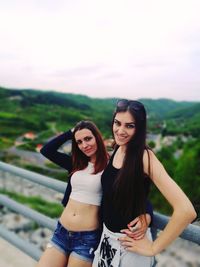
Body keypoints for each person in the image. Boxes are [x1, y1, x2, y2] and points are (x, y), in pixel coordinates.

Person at [92, 99, 197, 267]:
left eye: (129, 126)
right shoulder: (118, 148)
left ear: (139, 128)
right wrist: (147, 211)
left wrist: (154, 248)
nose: (120, 130)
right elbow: (129, 191)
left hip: (131, 249)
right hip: (107, 242)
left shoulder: (144, 157)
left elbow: (186, 210)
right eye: (117, 123)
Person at [36, 120, 153, 267]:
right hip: (61, 232)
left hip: (87, 239)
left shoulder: (112, 165)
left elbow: (135, 192)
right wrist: (72, 131)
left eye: (88, 138)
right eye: (79, 142)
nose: (84, 145)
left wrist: (147, 213)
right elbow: (47, 150)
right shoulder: (75, 163)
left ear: (97, 137)